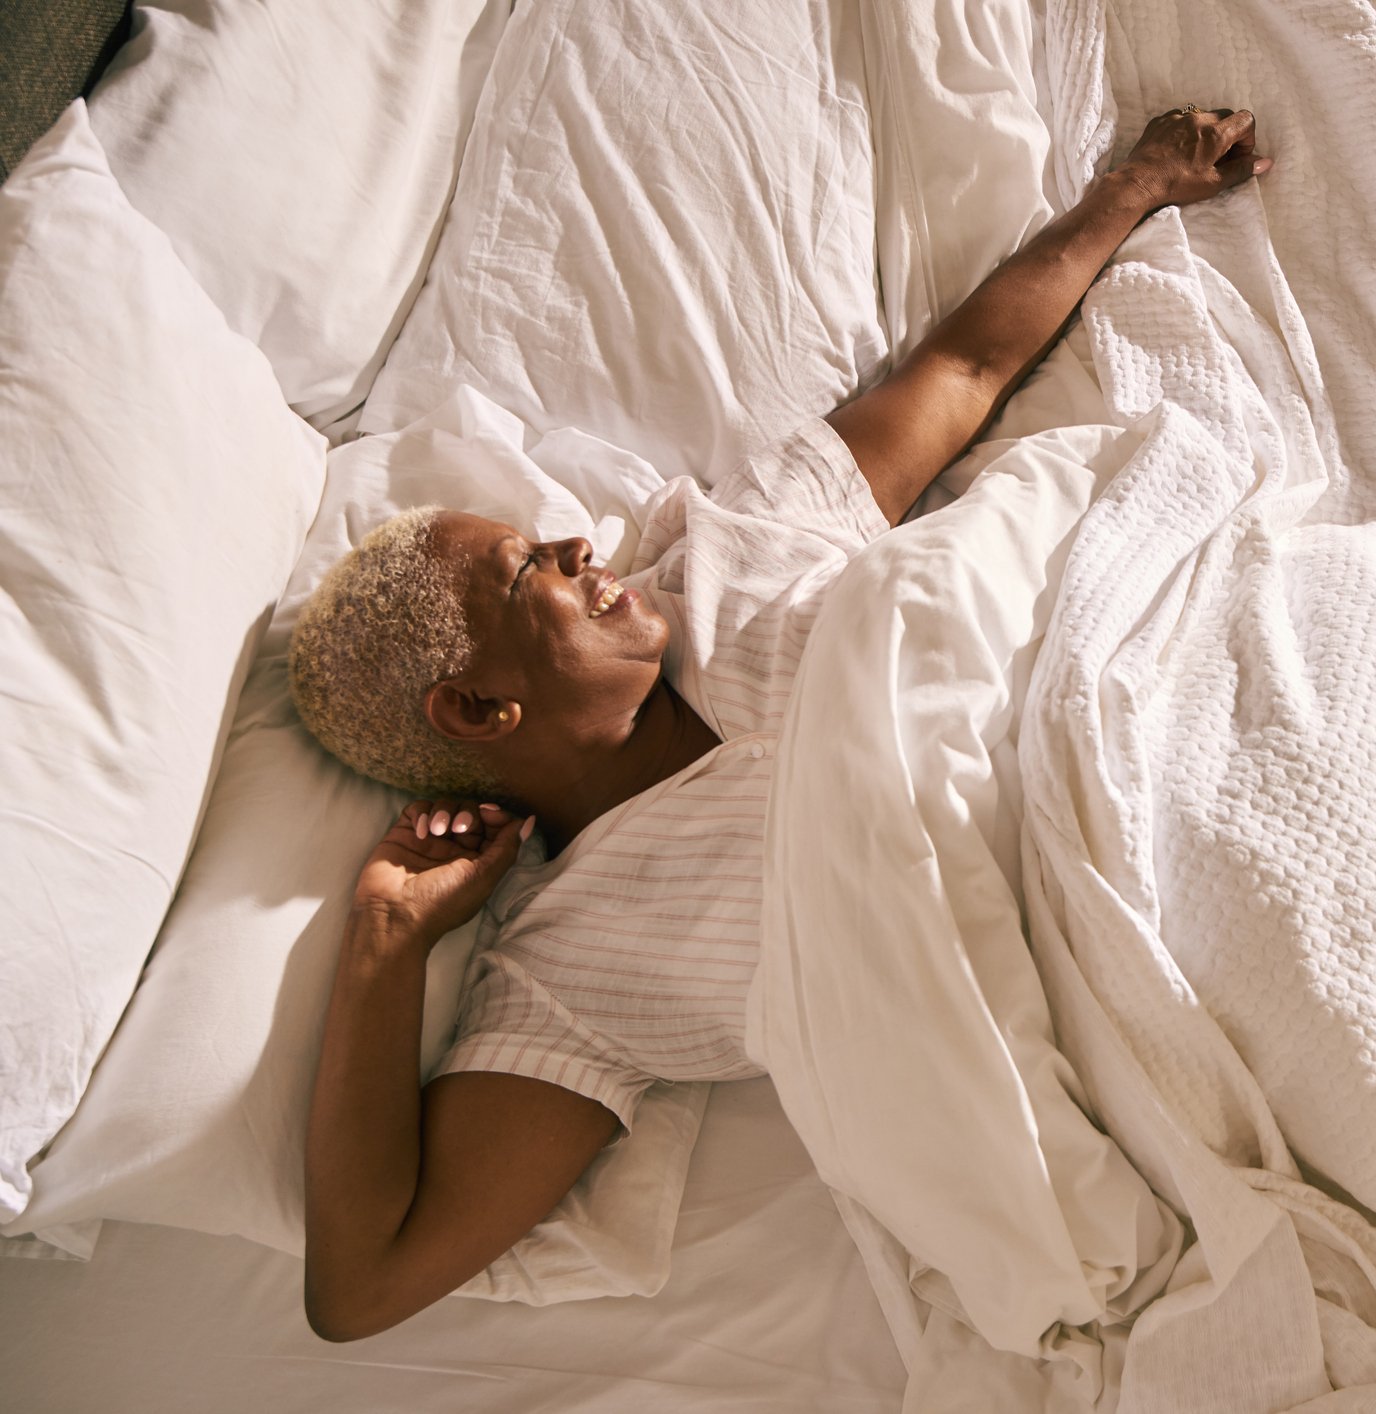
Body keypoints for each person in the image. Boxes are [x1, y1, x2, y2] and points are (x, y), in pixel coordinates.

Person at [291, 106, 1269, 1341]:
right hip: (1134, 961)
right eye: (530, 568)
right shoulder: (573, 973)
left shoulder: (736, 546)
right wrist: (385, 940)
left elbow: (961, 374)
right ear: (481, 707)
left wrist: (1132, 187)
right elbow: (362, 1284)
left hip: (1168, 702)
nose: (579, 543)